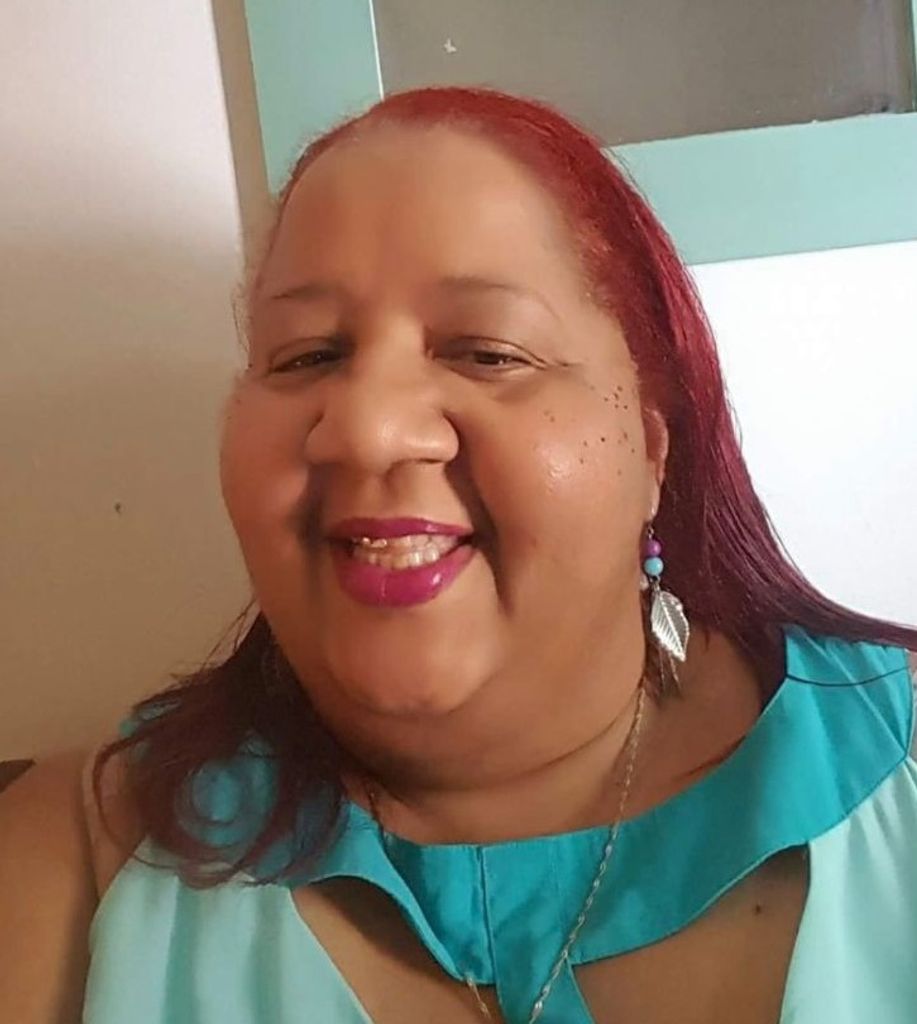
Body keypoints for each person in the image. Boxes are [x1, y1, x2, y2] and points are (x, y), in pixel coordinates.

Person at [1, 87, 915, 1024]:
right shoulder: (71, 865)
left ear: (650, 450)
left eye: (487, 351)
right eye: (306, 356)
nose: (367, 429)